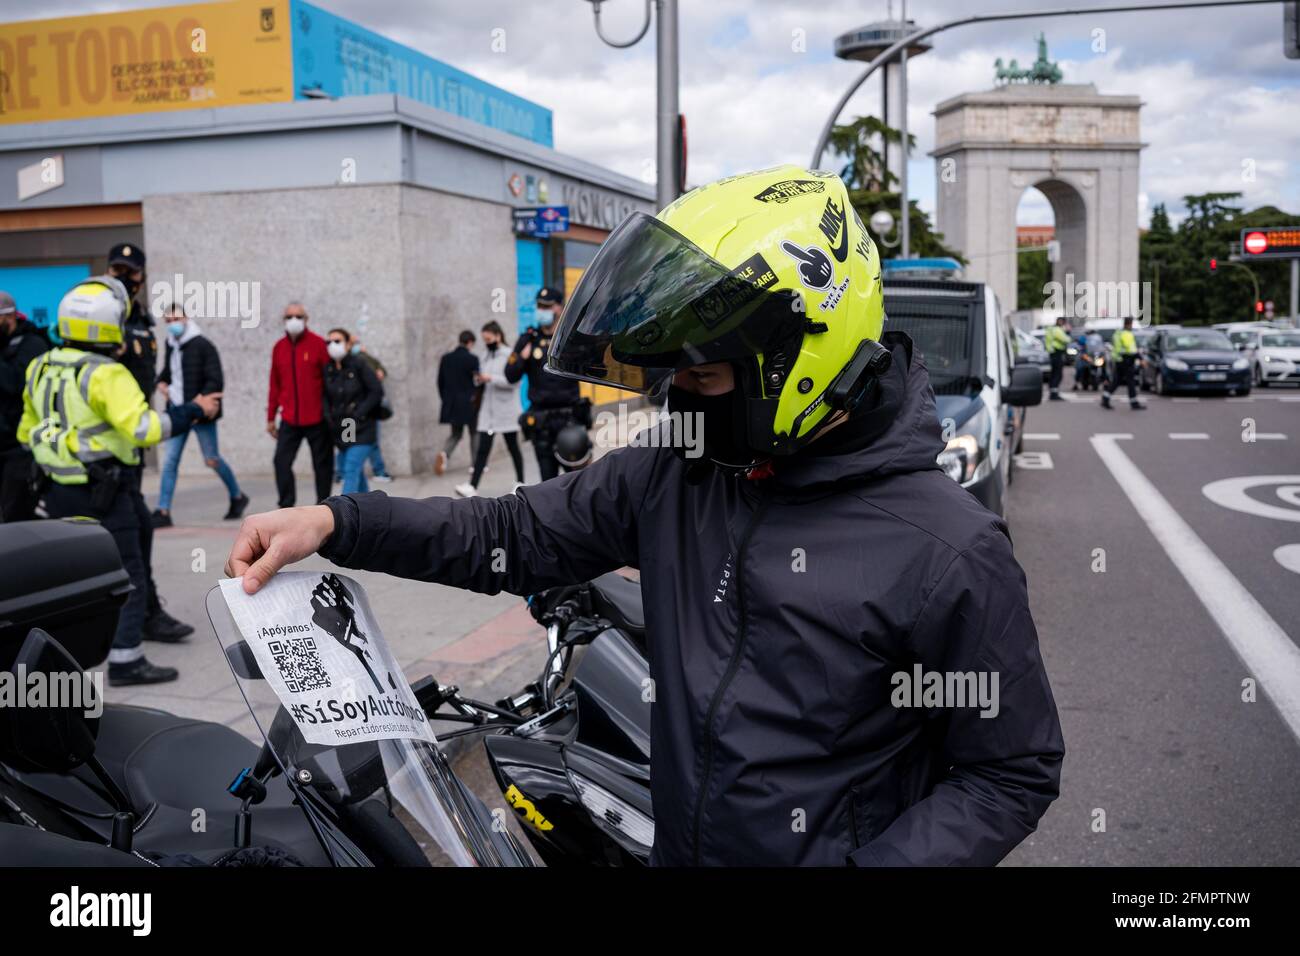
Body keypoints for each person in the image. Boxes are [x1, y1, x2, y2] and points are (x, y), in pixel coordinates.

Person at [225, 165, 1064, 867]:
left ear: (800, 360)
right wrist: (339, 523)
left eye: (701, 379)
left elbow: (1009, 772)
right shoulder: (678, 478)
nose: (677, 403)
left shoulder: (949, 549)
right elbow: (505, 534)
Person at [21, 277, 220, 685]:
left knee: (79, 570)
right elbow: (146, 429)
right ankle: (127, 660)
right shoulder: (106, 374)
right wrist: (193, 410)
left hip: (58, 491)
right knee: (126, 572)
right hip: (105, 493)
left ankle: (72, 656)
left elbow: (28, 430)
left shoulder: (41, 365)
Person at [106, 241, 193, 642]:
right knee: (131, 531)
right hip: (106, 447)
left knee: (138, 529)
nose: (124, 276)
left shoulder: (141, 319)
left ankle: (144, 613)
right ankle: (135, 620)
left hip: (132, 441)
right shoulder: (104, 317)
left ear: (142, 276)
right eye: (117, 269)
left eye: (130, 271)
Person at [152, 304, 248, 527]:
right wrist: (161, 383)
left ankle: (237, 496)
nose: (172, 324)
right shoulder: (171, 344)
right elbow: (168, 372)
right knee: (170, 462)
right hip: (177, 411)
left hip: (201, 414)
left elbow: (215, 379)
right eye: (167, 321)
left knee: (212, 459)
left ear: (186, 318)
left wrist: (200, 403)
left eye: (176, 318)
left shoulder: (203, 344)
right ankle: (163, 511)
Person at [505, 288, 589, 482]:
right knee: (548, 483)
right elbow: (510, 376)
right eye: (539, 306)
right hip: (542, 423)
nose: (542, 310)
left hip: (569, 419)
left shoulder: (569, 339)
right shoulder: (528, 339)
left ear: (559, 308)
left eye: (547, 306)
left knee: (578, 481)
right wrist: (521, 358)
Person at [268, 302, 332, 507]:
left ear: (306, 319)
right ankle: (286, 506)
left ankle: (324, 507)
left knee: (322, 465)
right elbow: (274, 384)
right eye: (289, 317)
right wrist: (270, 417)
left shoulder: (319, 344)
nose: (293, 320)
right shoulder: (279, 348)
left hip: (317, 418)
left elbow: (330, 381)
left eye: (298, 316)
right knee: (280, 462)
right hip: (289, 419)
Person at [455, 321, 525, 498]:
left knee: (513, 447)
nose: (486, 342)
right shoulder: (484, 355)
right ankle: (472, 485)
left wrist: (491, 378)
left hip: (506, 411)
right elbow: (480, 379)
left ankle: (521, 482)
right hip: (488, 412)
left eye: (489, 339)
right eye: (484, 340)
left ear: (498, 336)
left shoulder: (509, 355)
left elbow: (514, 382)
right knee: (482, 450)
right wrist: (478, 379)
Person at [0, 291, 51, 522]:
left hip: (18, 449)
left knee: (15, 516)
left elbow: (16, 385)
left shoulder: (33, 345)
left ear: (9, 317)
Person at [323, 327, 385, 496]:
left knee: (350, 467)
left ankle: (344, 514)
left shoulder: (359, 364)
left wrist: (359, 413)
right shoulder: (328, 369)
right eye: (328, 342)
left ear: (348, 344)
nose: (332, 345)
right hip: (343, 427)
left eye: (337, 341)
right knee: (354, 469)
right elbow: (326, 397)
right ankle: (371, 508)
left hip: (361, 425)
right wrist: (329, 418)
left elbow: (376, 390)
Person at [337, 334, 393, 484]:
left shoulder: (362, 360)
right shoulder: (341, 363)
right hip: (351, 417)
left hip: (361, 416)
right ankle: (343, 473)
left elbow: (379, 376)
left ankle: (344, 473)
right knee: (349, 449)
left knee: (354, 449)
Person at [434, 330, 480, 475]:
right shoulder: (472, 359)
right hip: (469, 403)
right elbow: (477, 381)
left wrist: (446, 399)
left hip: (451, 403)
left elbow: (440, 382)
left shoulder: (446, 358)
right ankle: (475, 465)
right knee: (474, 433)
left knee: (456, 434)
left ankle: (444, 453)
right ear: (470, 342)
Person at [1101, 317, 1146, 411]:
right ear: (1128, 324)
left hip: (1119, 360)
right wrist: (1140, 358)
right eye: (1131, 324)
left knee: (1116, 381)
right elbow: (1131, 350)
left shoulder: (1118, 333)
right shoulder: (1127, 334)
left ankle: (1105, 398)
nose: (1132, 326)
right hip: (1127, 361)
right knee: (1131, 382)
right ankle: (1134, 403)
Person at [1043, 316, 1071, 401]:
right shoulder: (1057, 330)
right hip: (1057, 353)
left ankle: (1053, 392)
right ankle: (1054, 394)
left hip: (1053, 353)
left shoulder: (1051, 329)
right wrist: (1068, 332)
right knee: (1057, 375)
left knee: (1054, 374)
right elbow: (1066, 340)